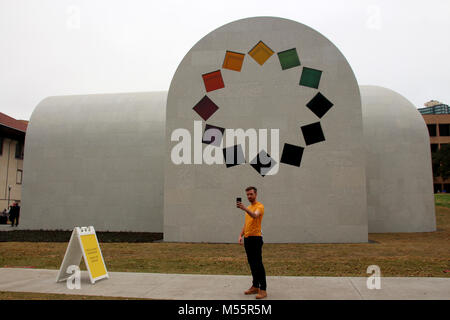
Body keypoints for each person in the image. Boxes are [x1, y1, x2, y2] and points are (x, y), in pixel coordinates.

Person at [237, 186, 267, 299]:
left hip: (256, 239)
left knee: (258, 264)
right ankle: (255, 286)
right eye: (248, 195)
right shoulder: (249, 207)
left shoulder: (259, 206)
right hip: (248, 239)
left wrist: (244, 208)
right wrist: (240, 235)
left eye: (251, 194)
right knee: (252, 263)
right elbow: (246, 224)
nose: (249, 196)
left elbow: (255, 215)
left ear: (256, 194)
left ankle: (263, 289)